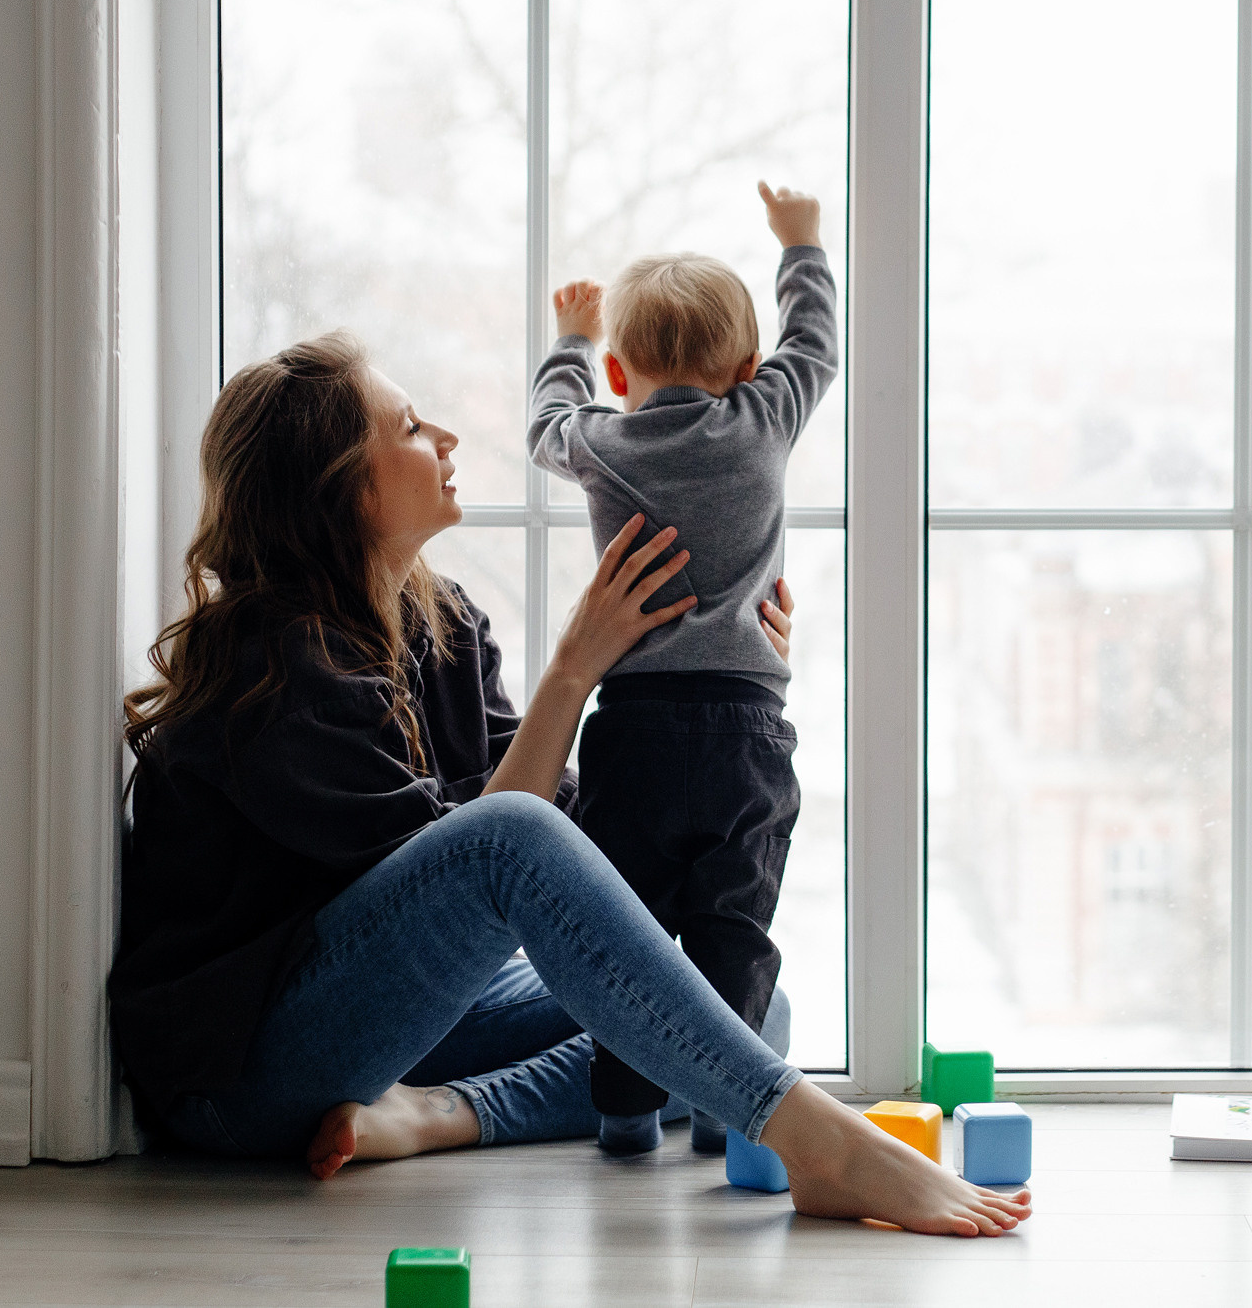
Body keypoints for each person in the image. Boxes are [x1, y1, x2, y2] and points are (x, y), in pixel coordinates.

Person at [106, 330, 1028, 1236]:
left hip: (403, 1037)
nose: (449, 442)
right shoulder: (276, 670)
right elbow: (478, 863)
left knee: (749, 1002)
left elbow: (572, 843)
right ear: (344, 485)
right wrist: (572, 671)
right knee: (521, 847)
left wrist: (722, 677)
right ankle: (817, 1140)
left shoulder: (443, 624)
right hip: (245, 1071)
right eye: (415, 427)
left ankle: (440, 1115)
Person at [526, 180, 837, 1156]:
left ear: (621, 370)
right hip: (747, 725)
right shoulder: (763, 419)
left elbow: (546, 424)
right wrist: (800, 244)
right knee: (732, 923)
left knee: (632, 933)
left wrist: (570, 341)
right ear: (745, 367)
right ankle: (724, 1103)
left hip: (638, 724)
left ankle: (623, 1109)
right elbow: (814, 345)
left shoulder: (605, 440)